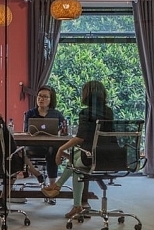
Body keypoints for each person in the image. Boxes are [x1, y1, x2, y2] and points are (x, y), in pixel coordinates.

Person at [41, 80, 114, 218]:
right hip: (109, 154)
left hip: (93, 156)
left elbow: (80, 138)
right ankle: (60, 189)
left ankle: (74, 203)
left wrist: (60, 150)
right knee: (74, 158)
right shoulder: (109, 111)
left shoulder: (86, 113)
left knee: (76, 166)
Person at [23, 85, 67, 186]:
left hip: (51, 146)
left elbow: (64, 130)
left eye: (45, 97)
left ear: (51, 99)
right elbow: (26, 130)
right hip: (33, 145)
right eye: (39, 96)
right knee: (20, 151)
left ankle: (52, 185)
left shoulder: (57, 114)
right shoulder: (30, 113)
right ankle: (37, 174)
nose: (41, 99)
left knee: (53, 151)